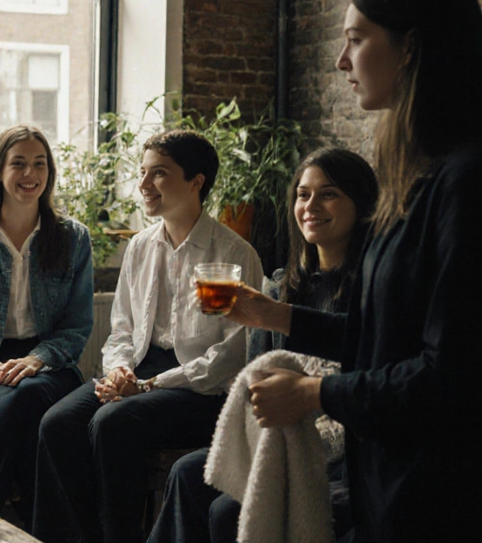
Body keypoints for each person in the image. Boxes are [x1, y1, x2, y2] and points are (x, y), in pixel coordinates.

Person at [231, 0, 482, 542]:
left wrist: (316, 392)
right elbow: (389, 341)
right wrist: (278, 316)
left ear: (411, 47)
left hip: (465, 507)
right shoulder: (417, 178)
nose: (342, 62)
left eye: (356, 40)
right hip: (404, 492)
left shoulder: (476, 183)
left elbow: (456, 377)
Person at [33, 129, 264, 543]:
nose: (142, 185)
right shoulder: (140, 246)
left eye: (158, 174)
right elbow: (121, 328)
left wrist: (146, 385)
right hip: (141, 369)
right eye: (142, 172)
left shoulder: (232, 255)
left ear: (197, 182)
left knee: (112, 422)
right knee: (57, 423)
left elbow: (229, 357)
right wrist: (121, 371)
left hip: (201, 389)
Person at [148, 147, 377, 543]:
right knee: (187, 472)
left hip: (341, 455)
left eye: (328, 194)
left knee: (226, 510)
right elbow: (256, 377)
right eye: (303, 195)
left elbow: (369, 359)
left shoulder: (372, 291)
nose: (310, 205)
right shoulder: (282, 286)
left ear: (361, 204)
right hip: (280, 440)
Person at [0, 125, 94, 530]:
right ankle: (41, 531)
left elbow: (77, 326)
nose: (30, 174)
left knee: (24, 396)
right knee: (26, 418)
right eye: (18, 163)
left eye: (39, 164)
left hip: (51, 367)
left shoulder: (74, 238)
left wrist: (36, 359)